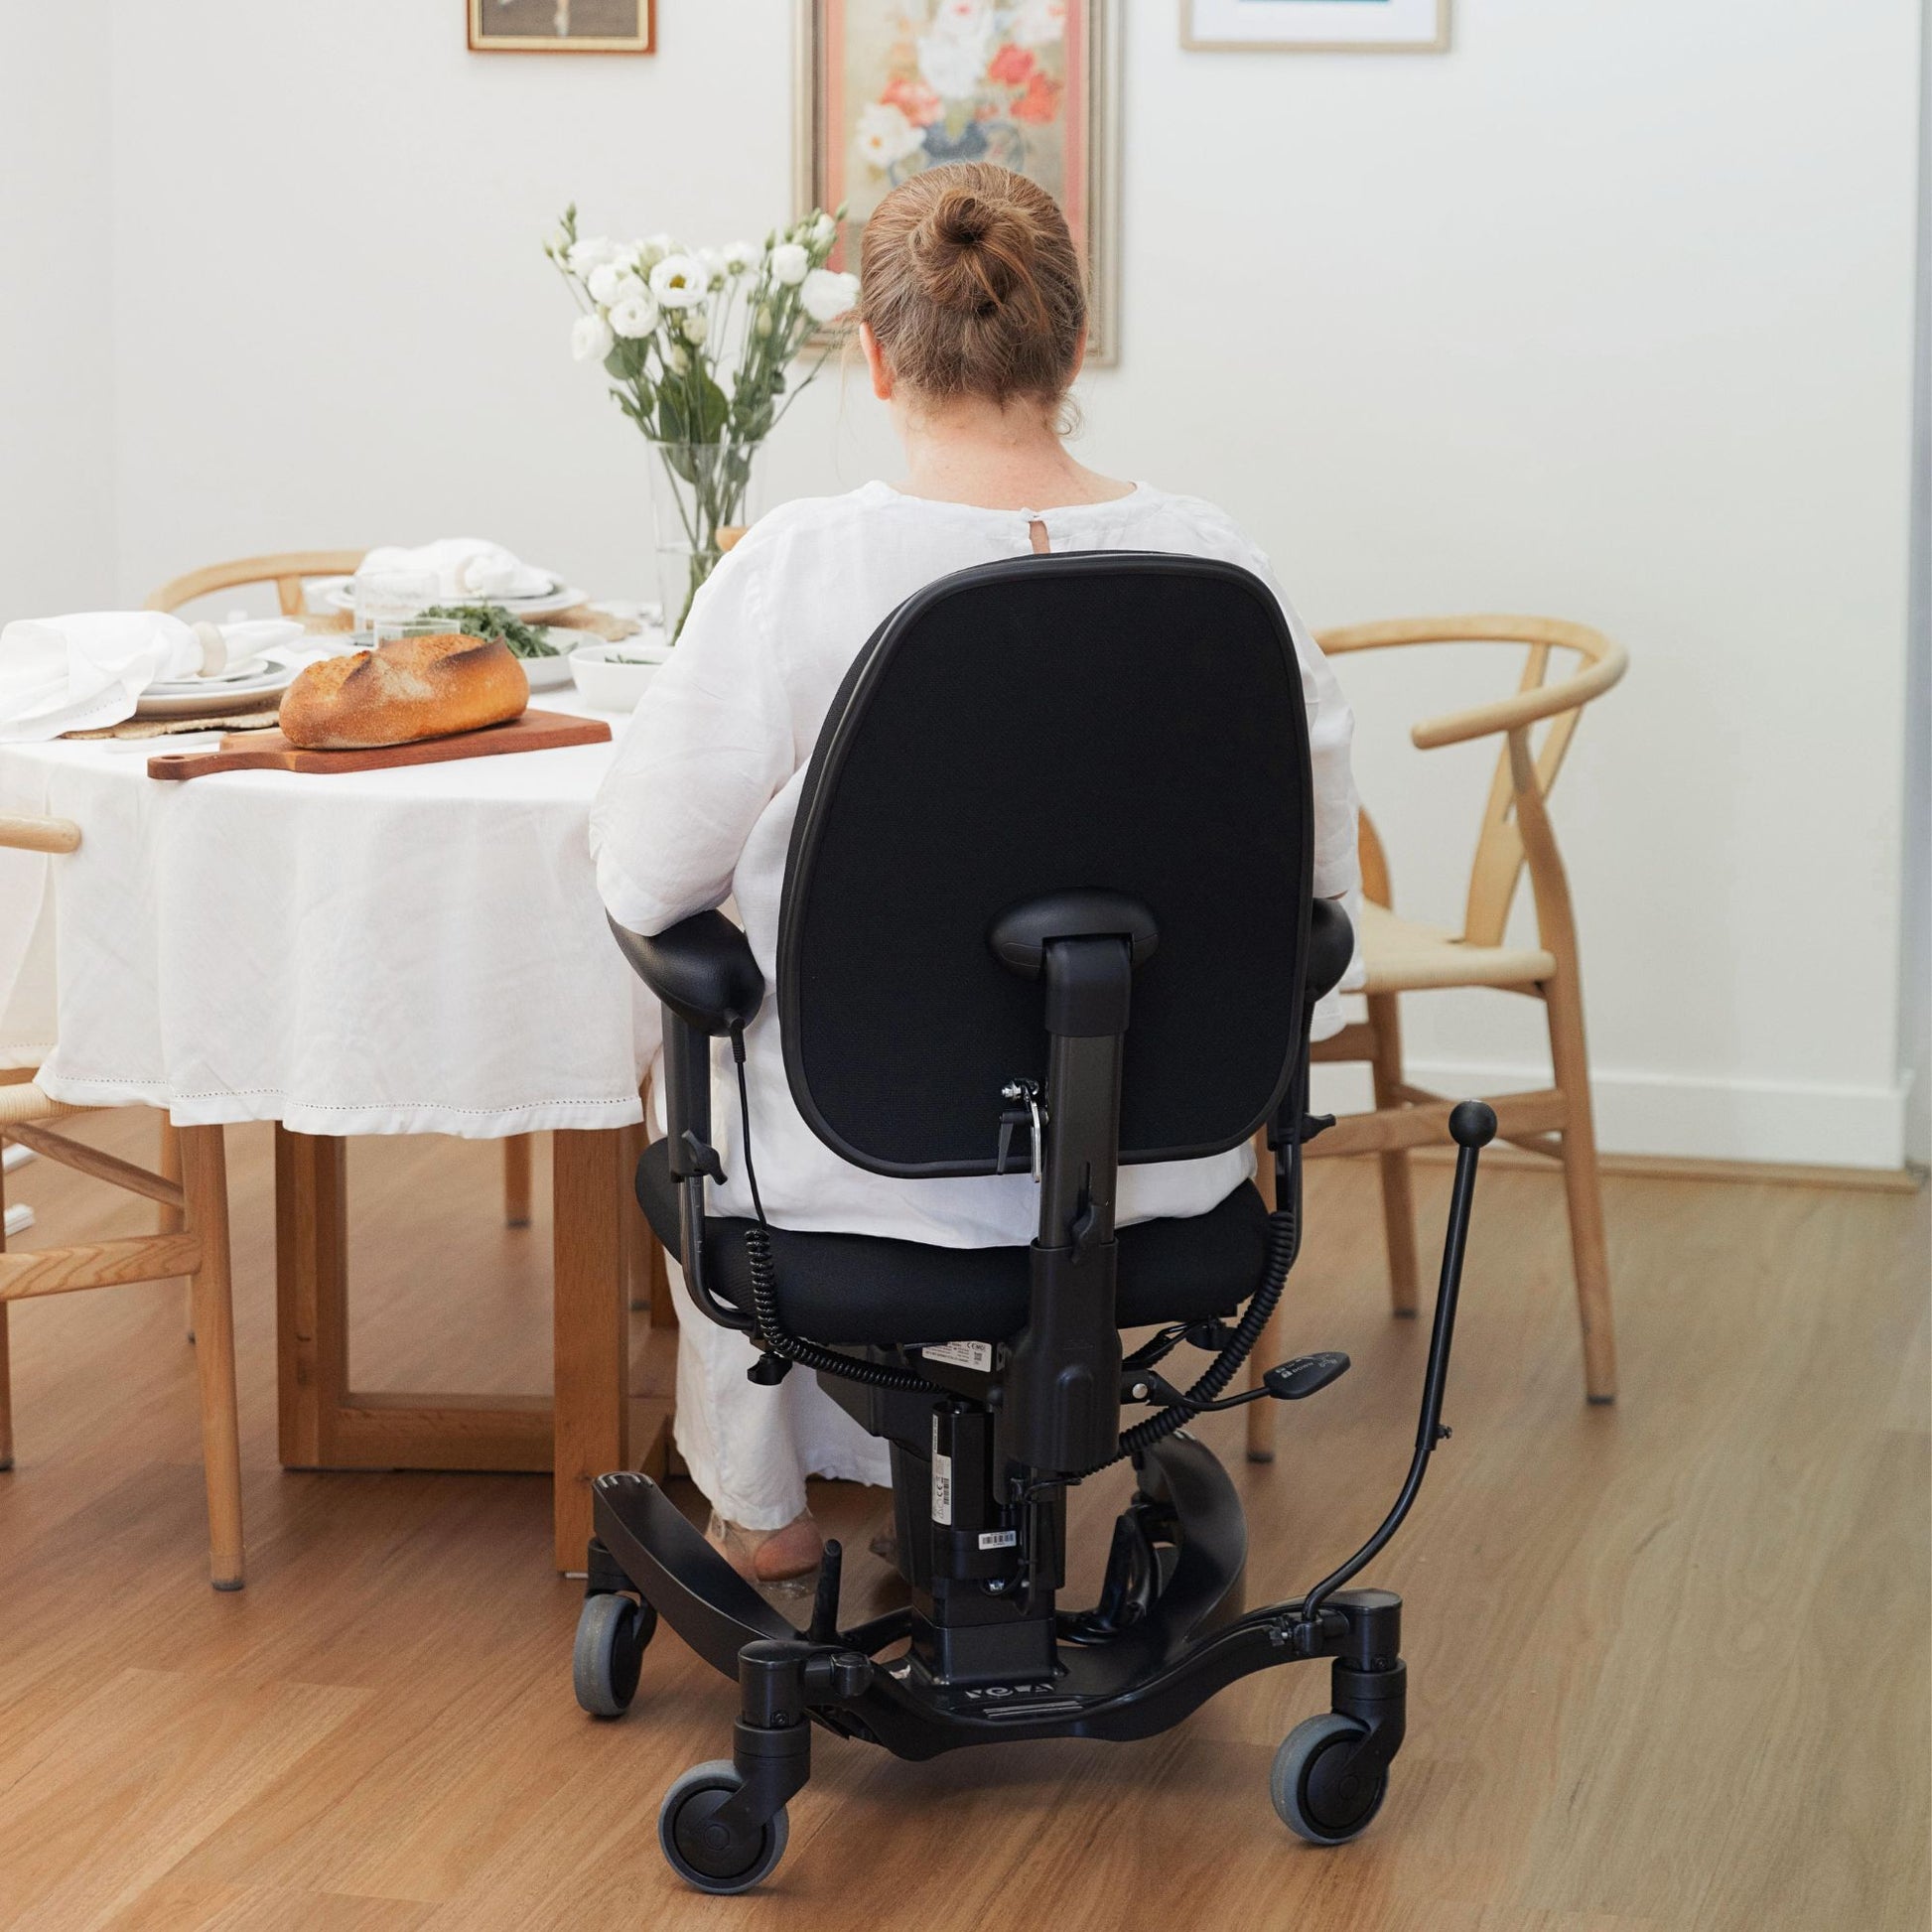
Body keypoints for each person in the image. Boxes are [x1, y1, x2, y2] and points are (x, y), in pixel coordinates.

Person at [591, 162, 1359, 1589]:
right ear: (1070, 349)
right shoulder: (1216, 564)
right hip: (1166, 1183)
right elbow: (1314, 889)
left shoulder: (795, 571)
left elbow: (646, 877)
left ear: (873, 358)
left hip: (852, 1195)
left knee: (688, 1008)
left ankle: (764, 1512)